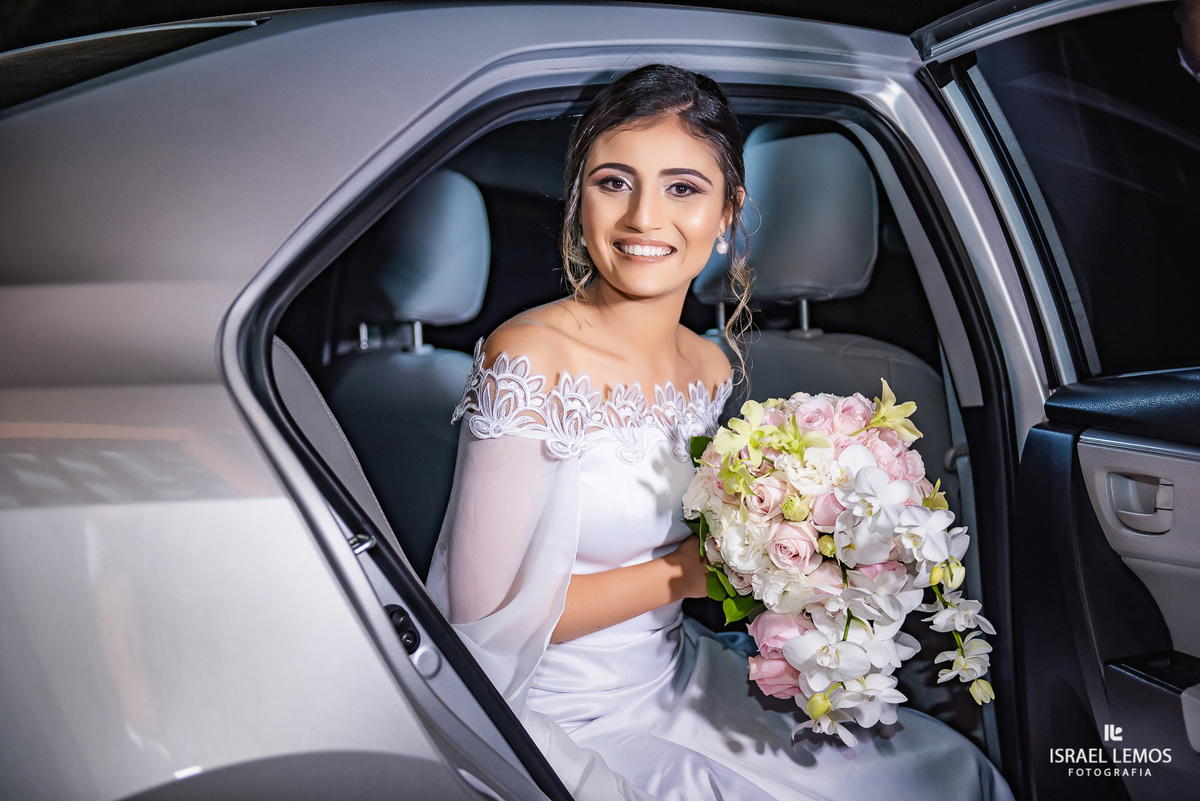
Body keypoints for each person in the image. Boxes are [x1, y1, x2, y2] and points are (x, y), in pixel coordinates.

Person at [427, 64, 1013, 801]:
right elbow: (476, 629)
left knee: (945, 772)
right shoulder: (529, 356)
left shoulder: (707, 365)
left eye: (683, 187)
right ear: (580, 199)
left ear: (728, 209)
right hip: (549, 714)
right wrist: (688, 572)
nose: (644, 218)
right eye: (614, 182)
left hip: (676, 678)